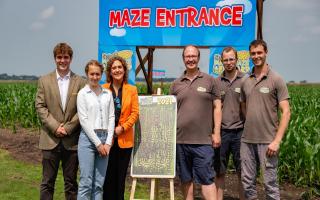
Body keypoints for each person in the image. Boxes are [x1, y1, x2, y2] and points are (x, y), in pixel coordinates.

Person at [240, 39, 291, 200]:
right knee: (247, 182)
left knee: (270, 184)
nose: (256, 56)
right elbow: (243, 107)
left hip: (268, 141)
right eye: (253, 53)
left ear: (266, 52)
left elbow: (286, 112)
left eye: (259, 53)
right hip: (247, 140)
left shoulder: (276, 79)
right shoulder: (245, 80)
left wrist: (277, 141)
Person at [170, 45, 222, 200]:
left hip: (203, 142)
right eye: (187, 56)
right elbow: (170, 110)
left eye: (193, 56)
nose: (190, 59)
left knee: (207, 180)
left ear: (198, 58)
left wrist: (217, 133)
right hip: (180, 141)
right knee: (186, 180)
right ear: (183, 59)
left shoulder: (210, 81)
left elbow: (217, 107)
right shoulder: (175, 84)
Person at [35, 42, 86, 200]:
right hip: (50, 139)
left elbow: (83, 109)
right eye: (59, 57)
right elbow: (40, 107)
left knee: (71, 183)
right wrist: (56, 127)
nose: (62, 61)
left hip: (72, 141)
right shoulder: (44, 81)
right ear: (55, 59)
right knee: (47, 182)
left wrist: (68, 128)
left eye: (66, 57)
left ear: (70, 59)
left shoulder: (81, 82)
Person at [102, 55, 139, 200]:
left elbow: (135, 113)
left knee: (120, 180)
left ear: (124, 70)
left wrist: (122, 128)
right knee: (107, 178)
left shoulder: (132, 89)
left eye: (119, 67)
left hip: (124, 140)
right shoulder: (103, 89)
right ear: (109, 72)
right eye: (114, 68)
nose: (117, 70)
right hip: (106, 141)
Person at [77, 60, 115, 199]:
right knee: (86, 182)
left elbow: (111, 118)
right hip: (88, 140)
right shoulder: (82, 94)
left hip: (105, 139)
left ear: (102, 75)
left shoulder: (107, 93)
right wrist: (98, 144)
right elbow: (84, 121)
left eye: (97, 74)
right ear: (87, 74)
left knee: (99, 184)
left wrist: (108, 143)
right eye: (92, 74)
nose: (94, 77)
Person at [214, 47, 245, 200]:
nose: (228, 62)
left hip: (241, 132)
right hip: (222, 132)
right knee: (219, 171)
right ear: (222, 62)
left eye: (231, 59)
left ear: (236, 60)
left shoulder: (245, 80)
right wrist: (215, 132)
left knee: (242, 172)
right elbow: (213, 108)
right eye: (225, 60)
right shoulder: (216, 82)